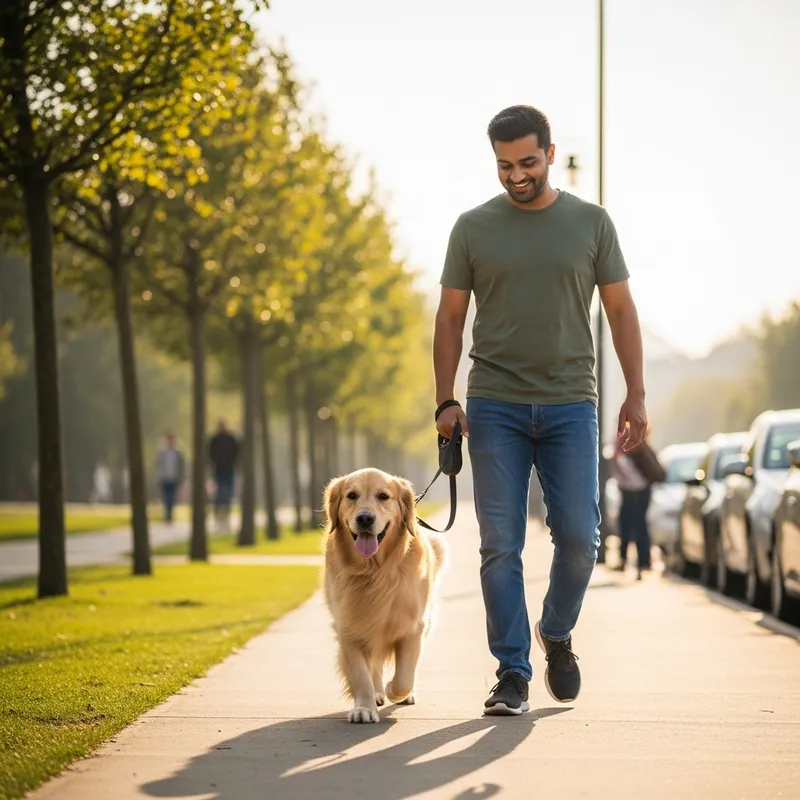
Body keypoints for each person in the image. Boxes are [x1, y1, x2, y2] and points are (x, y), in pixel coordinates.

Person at [433, 105, 648, 715]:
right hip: (493, 402)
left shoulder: (591, 223)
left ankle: (555, 631)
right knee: (499, 544)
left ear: (551, 154)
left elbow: (622, 311)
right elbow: (450, 318)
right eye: (504, 165)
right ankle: (512, 672)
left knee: (581, 539)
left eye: (528, 162)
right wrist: (446, 399)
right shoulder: (472, 228)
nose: (516, 175)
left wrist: (635, 393)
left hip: (569, 404)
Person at [612, 432, 665, 579]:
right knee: (633, 525)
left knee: (634, 526)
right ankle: (638, 562)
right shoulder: (640, 445)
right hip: (640, 491)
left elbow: (627, 473)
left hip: (634, 492)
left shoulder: (627, 449)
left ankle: (641, 563)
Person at [208, 418, 239, 533]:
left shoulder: (231, 439)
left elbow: (236, 452)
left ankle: (226, 510)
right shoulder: (215, 439)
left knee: (228, 491)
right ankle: (218, 511)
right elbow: (210, 454)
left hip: (229, 468)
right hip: (219, 469)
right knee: (220, 490)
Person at [156, 430, 185, 523]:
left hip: (174, 477)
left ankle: (170, 515)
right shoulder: (162, 452)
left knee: (172, 497)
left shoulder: (178, 452)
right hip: (165, 477)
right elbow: (159, 465)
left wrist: (181, 477)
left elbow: (181, 466)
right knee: (166, 497)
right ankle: (167, 515)